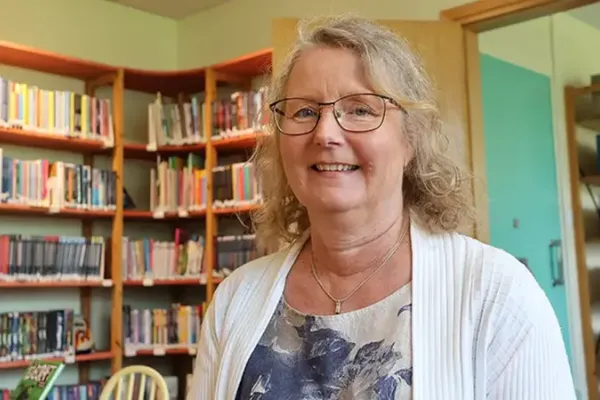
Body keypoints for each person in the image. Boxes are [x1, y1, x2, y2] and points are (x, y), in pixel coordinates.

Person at [188, 14, 576, 399]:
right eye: (305, 111)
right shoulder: (234, 300)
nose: (325, 134)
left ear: (410, 139)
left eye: (360, 109)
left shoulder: (498, 297)